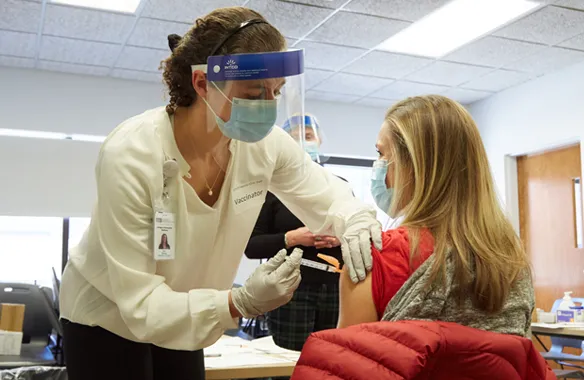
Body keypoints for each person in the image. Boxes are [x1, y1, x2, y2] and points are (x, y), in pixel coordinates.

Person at [59, 7, 381, 380]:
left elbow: (325, 195)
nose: (267, 106)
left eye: (275, 91)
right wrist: (238, 302)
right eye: (252, 92)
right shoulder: (133, 153)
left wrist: (357, 220)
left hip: (187, 312)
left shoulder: (264, 146)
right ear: (201, 84)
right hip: (107, 315)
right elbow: (140, 303)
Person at [290, 95, 549, 379]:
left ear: (415, 165)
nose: (378, 167)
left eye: (381, 154)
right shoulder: (511, 261)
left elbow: (348, 372)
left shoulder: (372, 256)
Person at [245, 114, 343, 351]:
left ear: (319, 140)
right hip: (289, 289)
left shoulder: (338, 185)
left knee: (330, 359)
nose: (302, 141)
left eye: (308, 136)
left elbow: (356, 233)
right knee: (289, 361)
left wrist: (339, 237)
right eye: (294, 136)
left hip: (335, 288)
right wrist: (293, 238)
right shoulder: (270, 190)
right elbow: (251, 246)